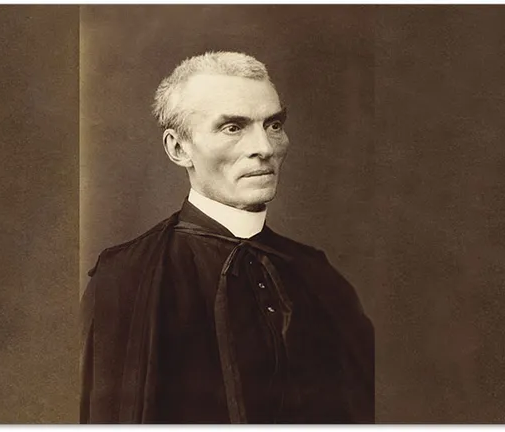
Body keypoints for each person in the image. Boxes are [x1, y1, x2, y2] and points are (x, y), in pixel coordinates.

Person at [80, 51, 374, 424]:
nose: (264, 148)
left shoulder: (319, 276)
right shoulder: (125, 278)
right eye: (233, 127)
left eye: (273, 125)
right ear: (178, 148)